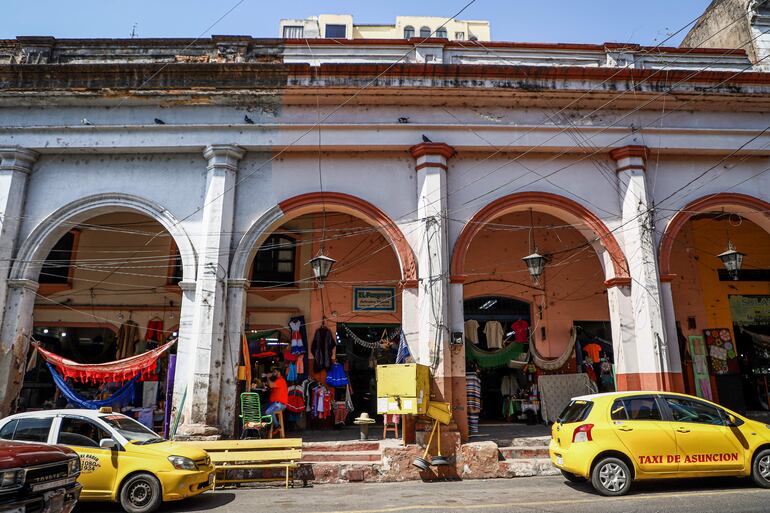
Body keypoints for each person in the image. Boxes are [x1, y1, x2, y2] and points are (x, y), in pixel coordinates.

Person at [265, 368, 288, 434]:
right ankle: (269, 427)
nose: (273, 373)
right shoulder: (277, 380)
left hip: (279, 404)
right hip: (275, 403)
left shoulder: (281, 380)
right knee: (262, 409)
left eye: (275, 372)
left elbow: (271, 385)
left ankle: (277, 426)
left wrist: (268, 377)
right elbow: (272, 387)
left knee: (268, 412)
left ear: (279, 373)